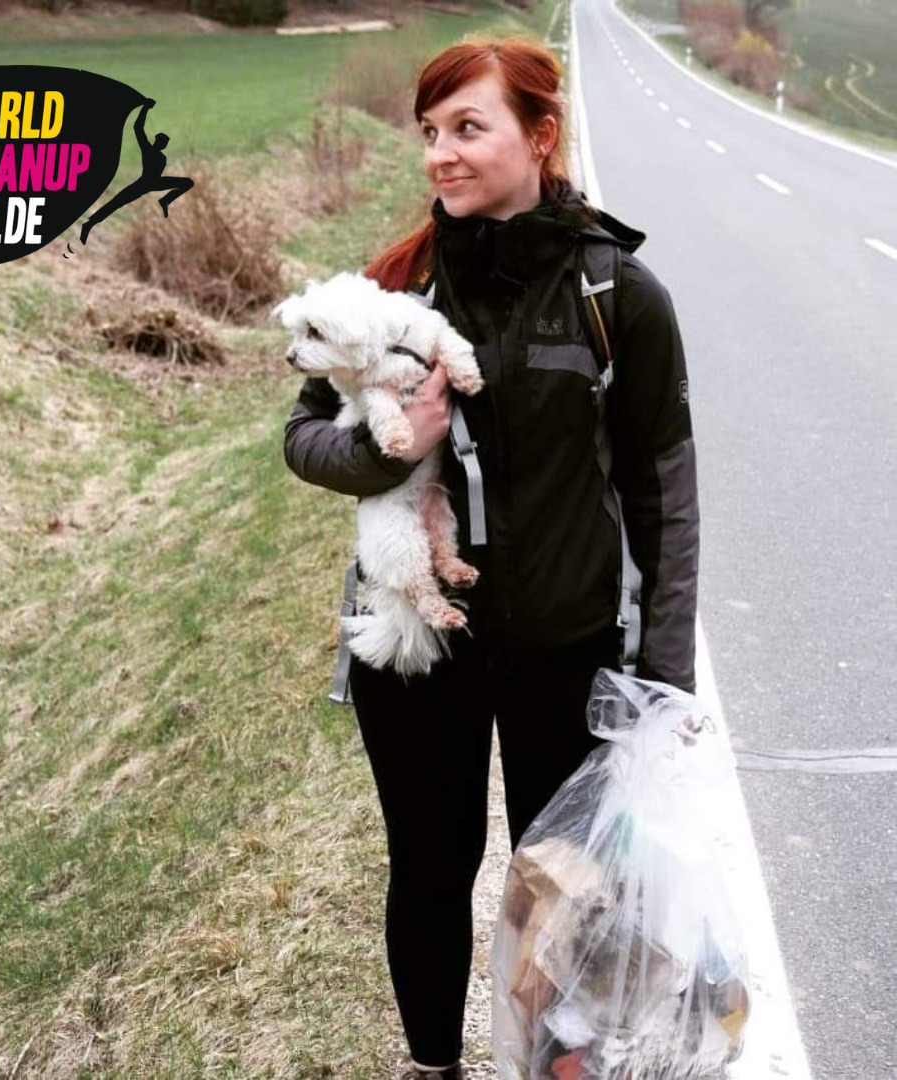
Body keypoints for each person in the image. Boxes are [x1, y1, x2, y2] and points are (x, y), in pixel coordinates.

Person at [282, 34, 699, 1080]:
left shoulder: (618, 298)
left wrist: (665, 675)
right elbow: (302, 437)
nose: (441, 153)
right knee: (430, 872)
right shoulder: (397, 289)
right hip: (424, 647)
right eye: (430, 131)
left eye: (468, 127)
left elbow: (663, 493)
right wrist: (387, 452)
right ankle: (433, 1067)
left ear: (541, 135)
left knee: (563, 892)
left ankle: (555, 1068)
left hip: (568, 644)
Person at [79, 99, 194, 245]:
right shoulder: (148, 149)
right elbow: (138, 127)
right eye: (163, 142)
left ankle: (166, 200)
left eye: (166, 143)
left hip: (155, 182)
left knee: (188, 182)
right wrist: (145, 108)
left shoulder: (162, 157)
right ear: (158, 141)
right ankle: (89, 224)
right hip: (144, 183)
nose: (164, 144)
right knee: (115, 203)